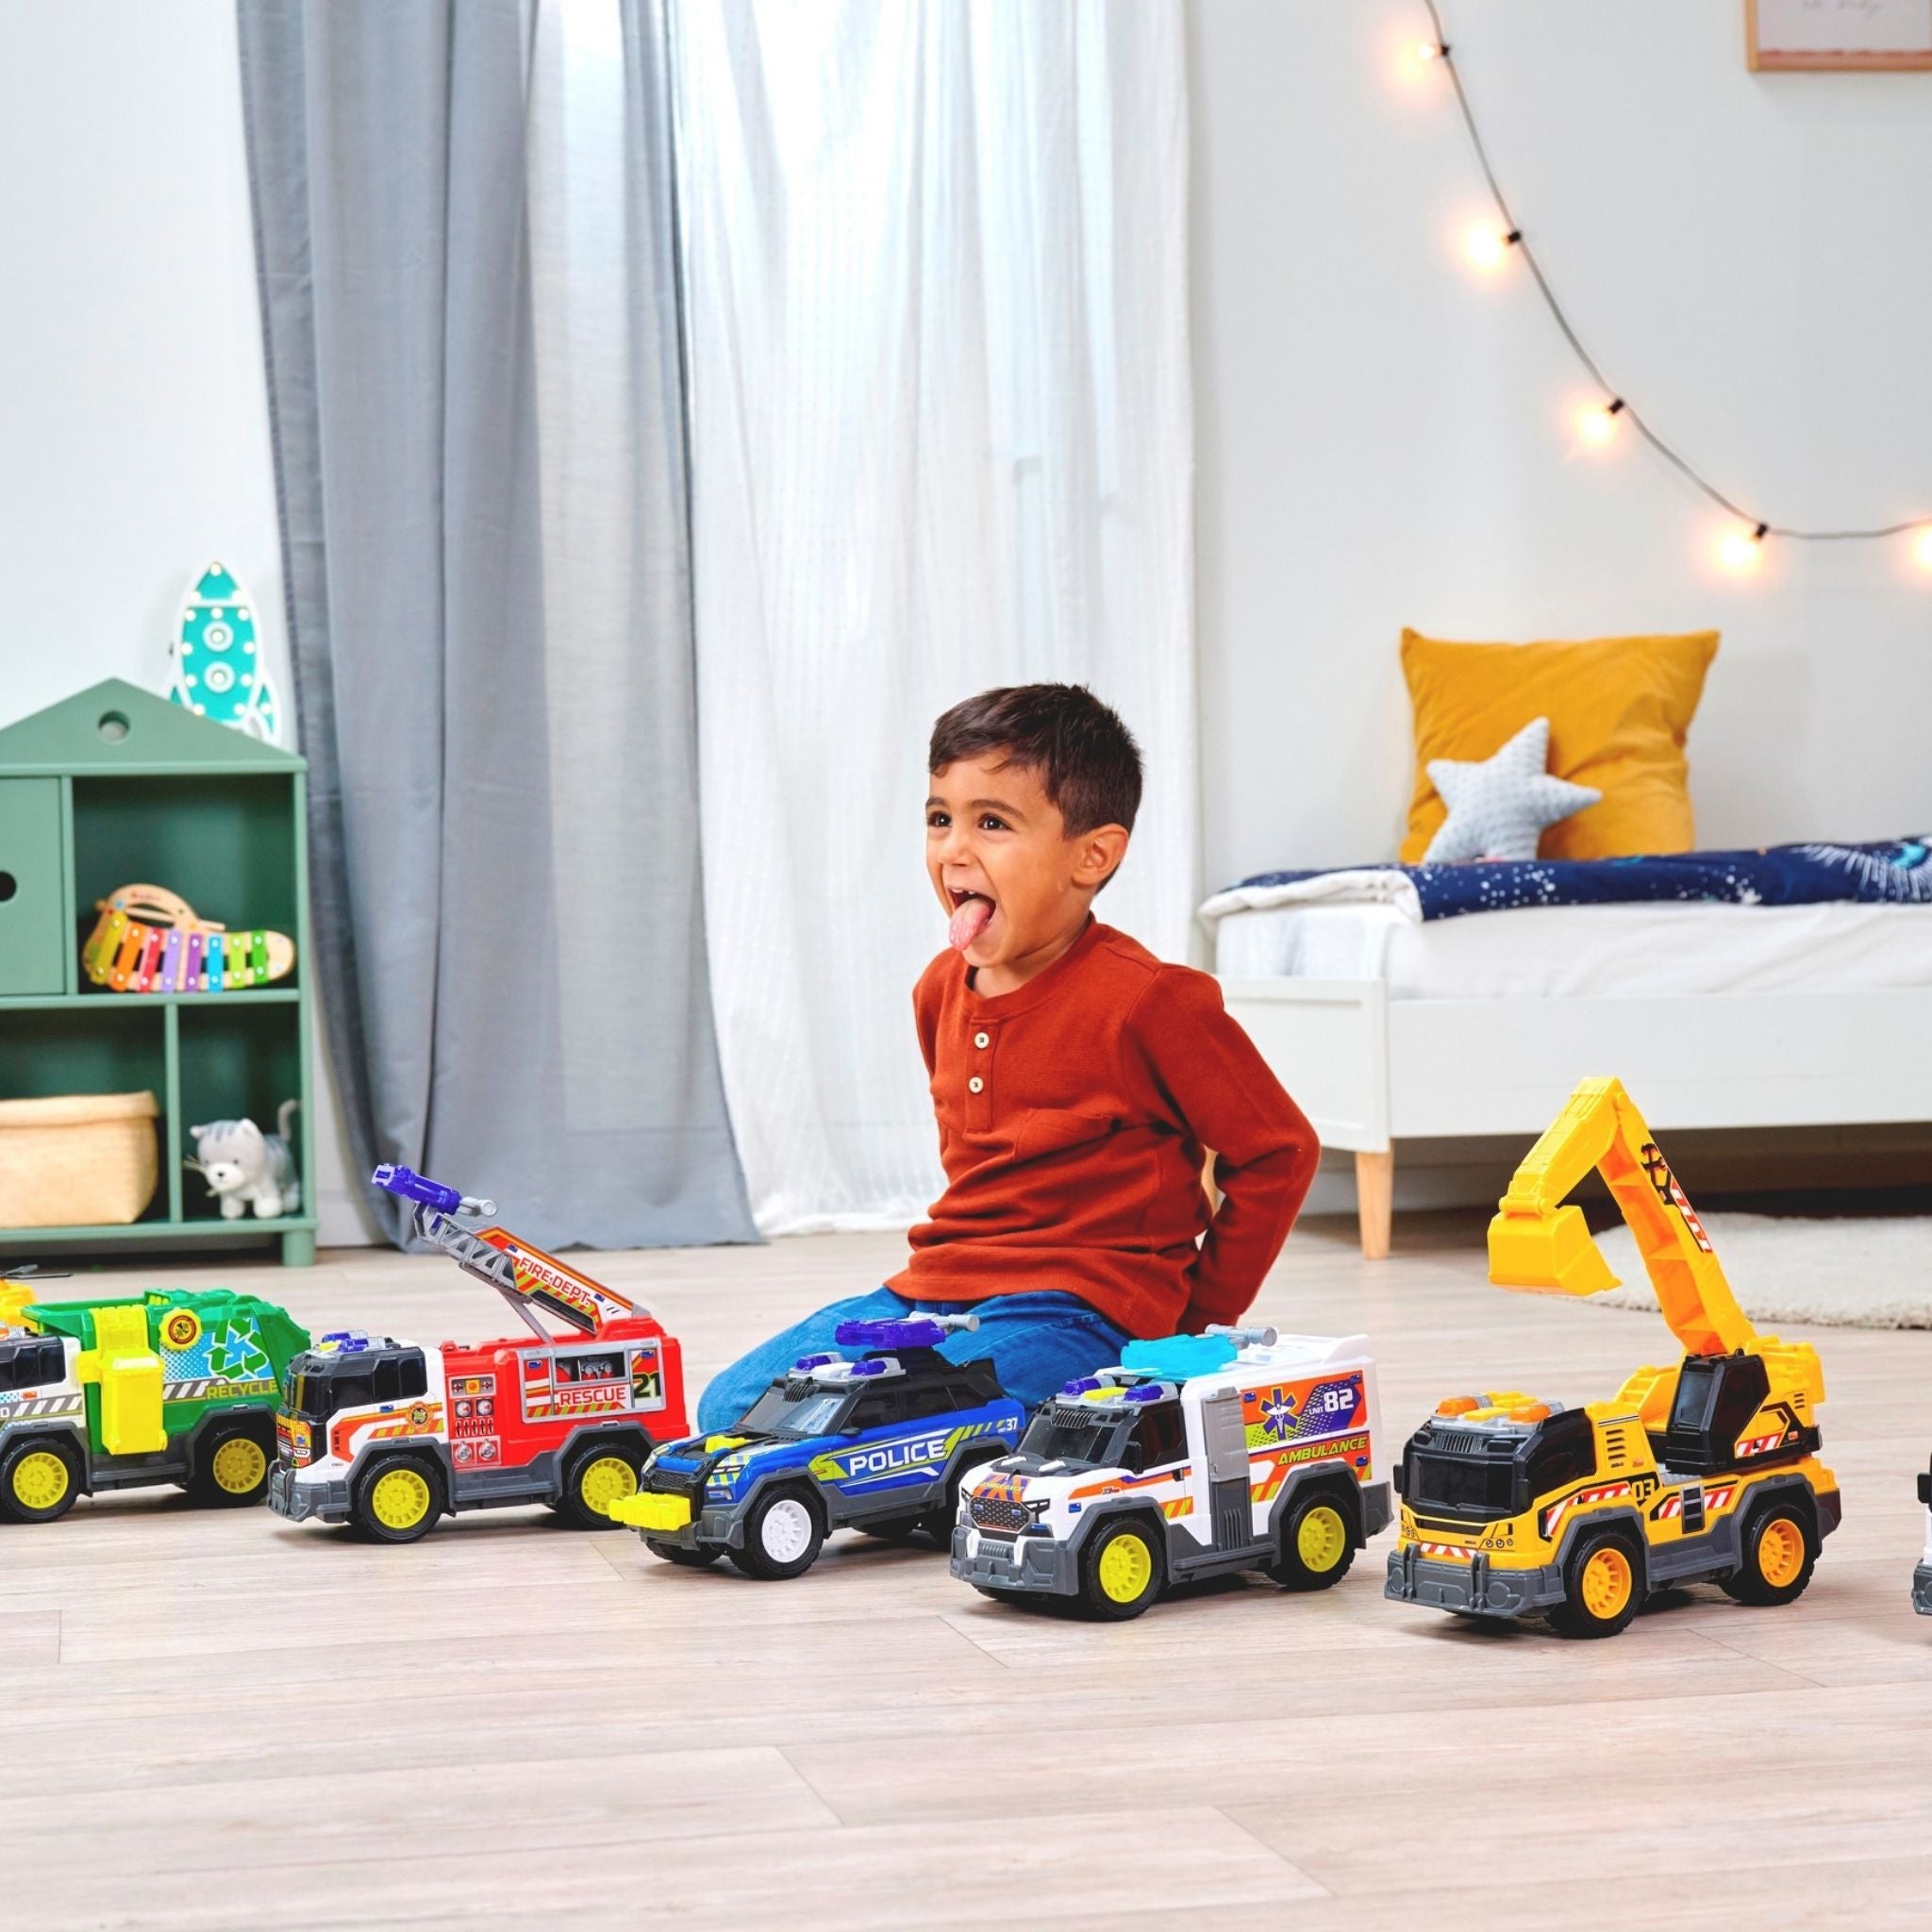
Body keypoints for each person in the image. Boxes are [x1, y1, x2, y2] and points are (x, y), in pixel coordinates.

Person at [696, 682, 1320, 1430]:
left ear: (1092, 855)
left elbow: (1280, 1150)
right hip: (934, 1293)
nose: (954, 849)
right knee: (731, 1405)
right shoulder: (938, 989)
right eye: (940, 819)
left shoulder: (1152, 1001)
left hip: (1083, 1308)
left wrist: (1196, 1318)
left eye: (991, 823)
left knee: (909, 1421)